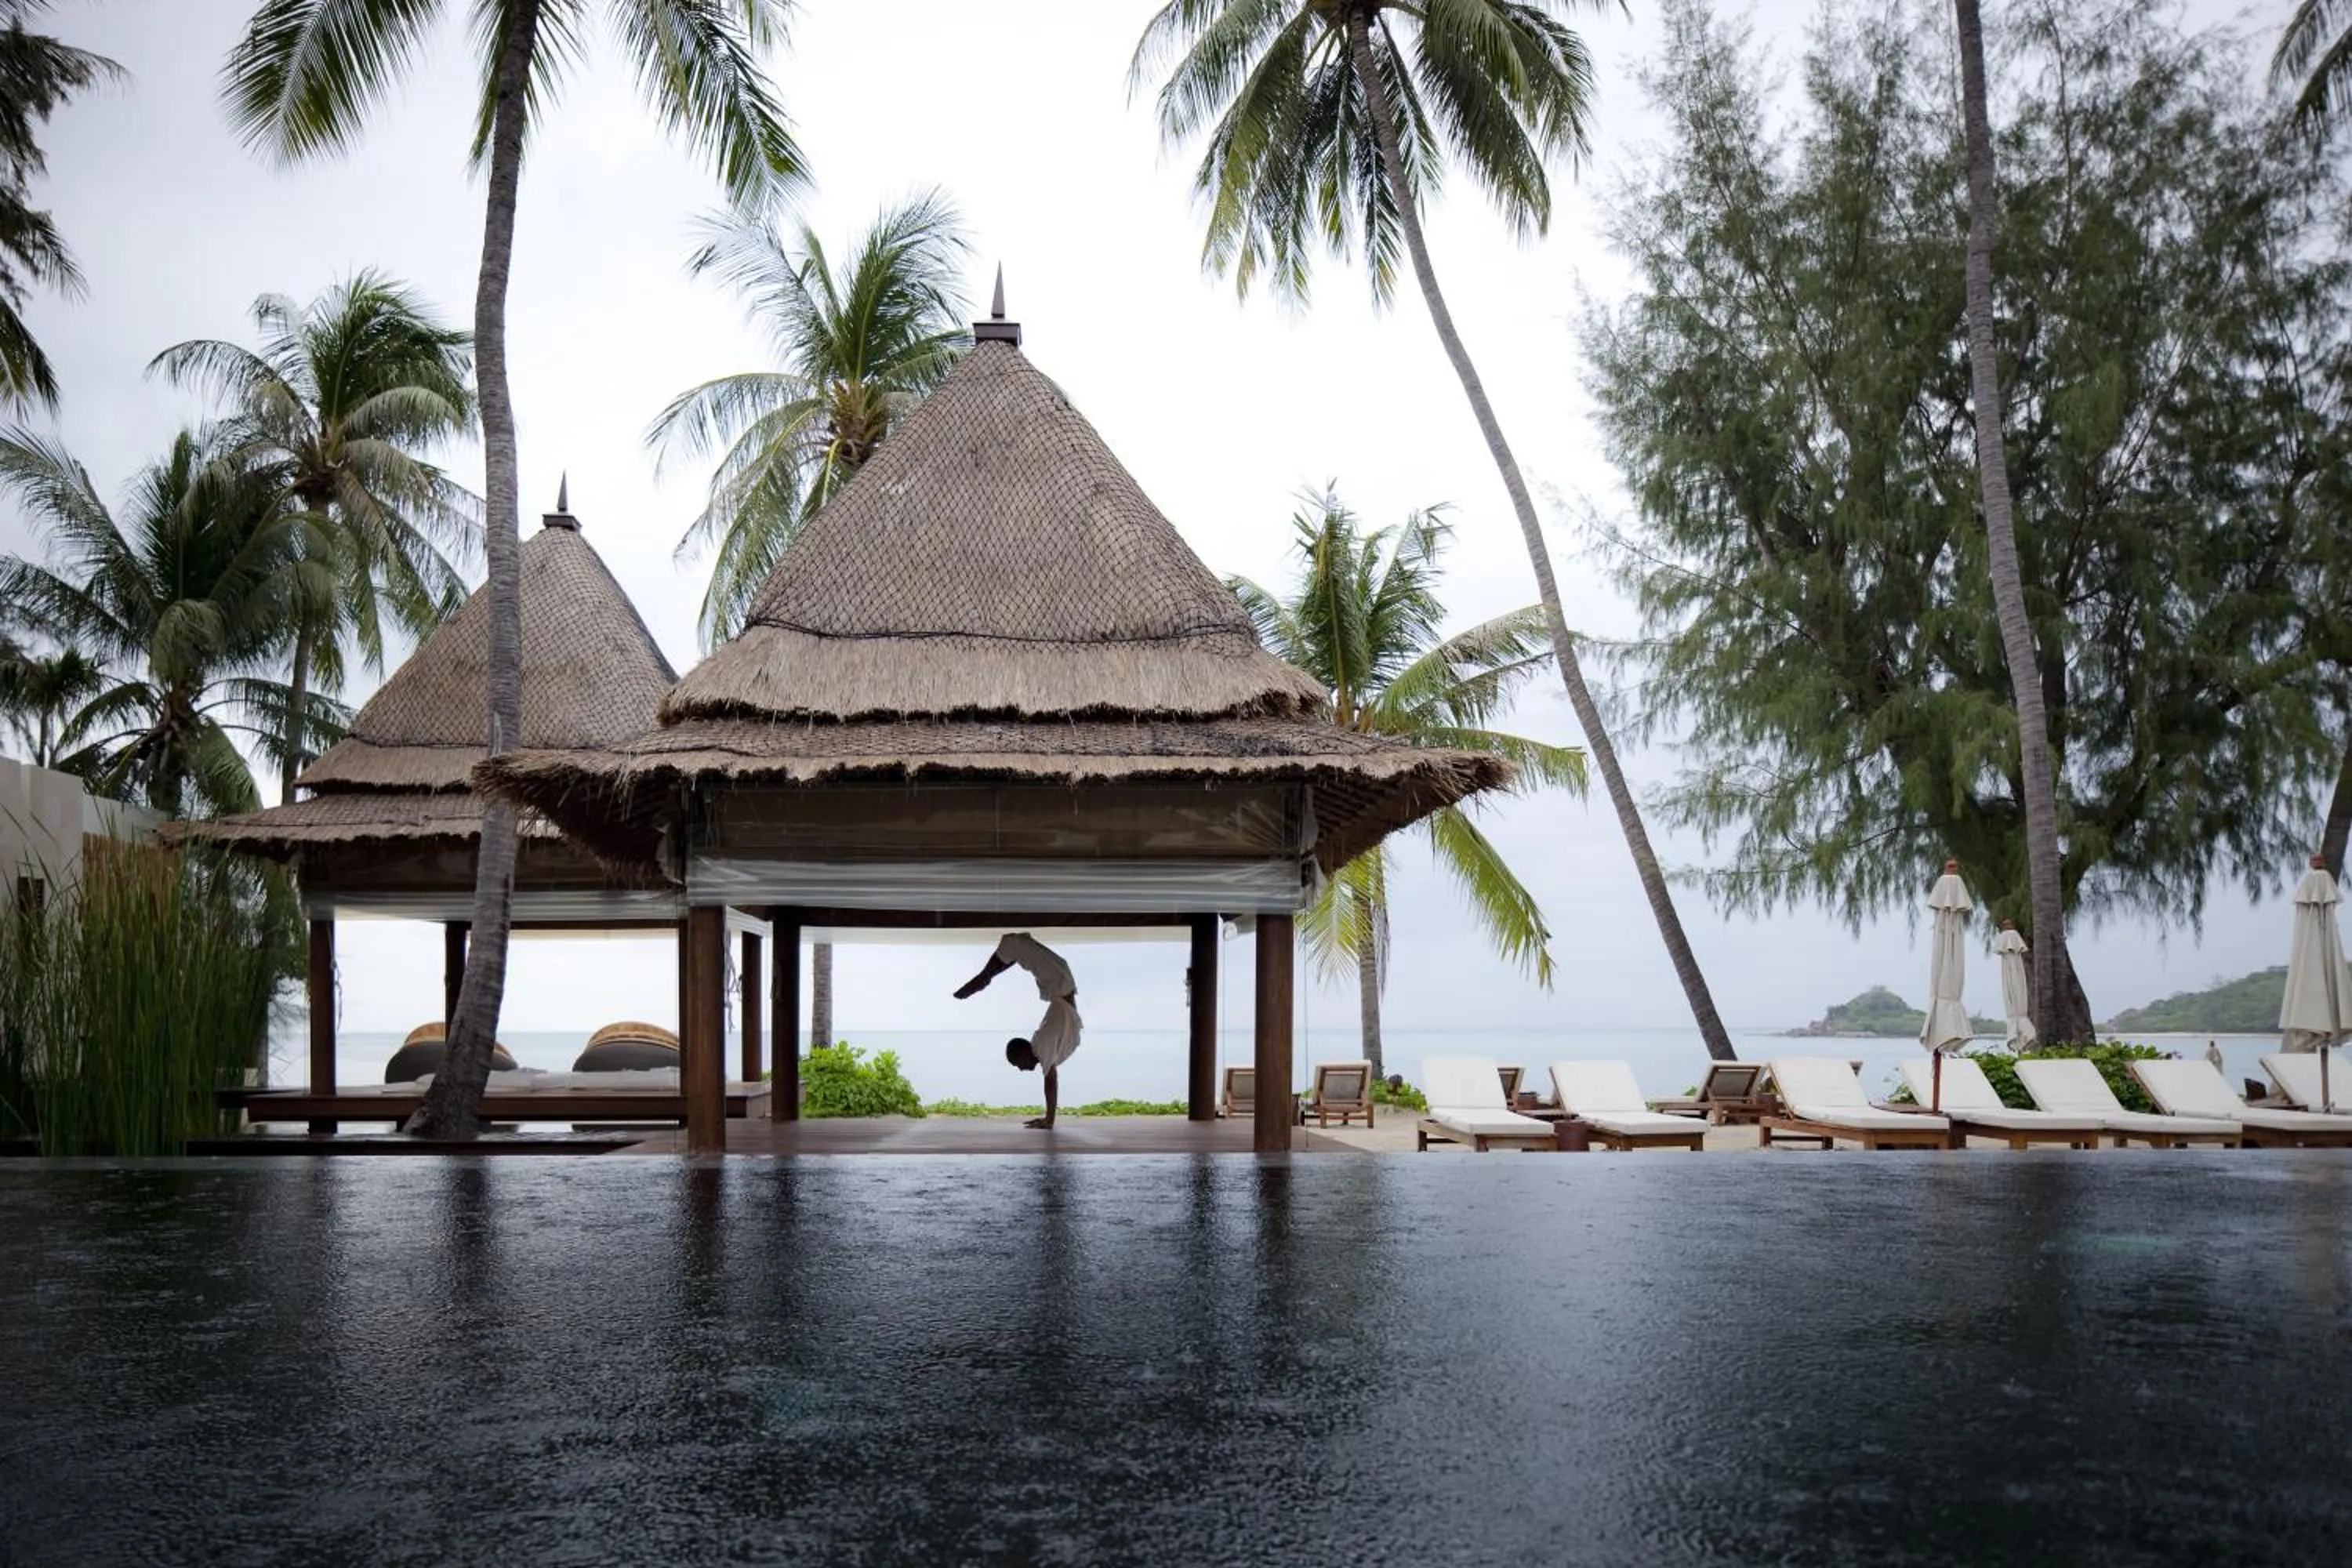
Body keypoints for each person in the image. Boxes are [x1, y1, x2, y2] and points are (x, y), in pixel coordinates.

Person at [954, 932, 1080, 1128]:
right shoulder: (1042, 1045)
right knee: (1018, 949)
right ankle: (988, 976)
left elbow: (1051, 1081)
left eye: (1017, 1064)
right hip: (1058, 983)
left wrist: (1050, 1120)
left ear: (1024, 1053)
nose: (1021, 1069)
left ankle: (984, 978)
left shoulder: (1043, 1045)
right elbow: (1051, 1076)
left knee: (1015, 944)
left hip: (1059, 982)